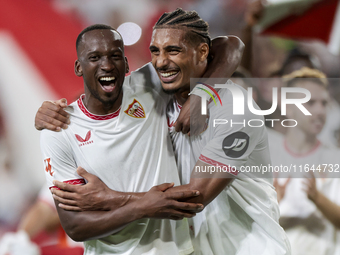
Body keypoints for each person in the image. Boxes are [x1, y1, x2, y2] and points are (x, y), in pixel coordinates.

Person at [36, 9, 291, 254]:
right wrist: (48, 112)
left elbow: (195, 197)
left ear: (203, 52)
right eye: (155, 51)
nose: (160, 62)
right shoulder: (153, 89)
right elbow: (96, 96)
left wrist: (110, 198)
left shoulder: (236, 108)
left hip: (252, 248)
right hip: (195, 248)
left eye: (173, 50)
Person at [271, 67, 340, 255]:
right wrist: (273, 203)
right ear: (288, 108)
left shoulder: (335, 159)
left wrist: (318, 198)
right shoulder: (268, 158)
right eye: (310, 103)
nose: (320, 111)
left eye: (324, 103)